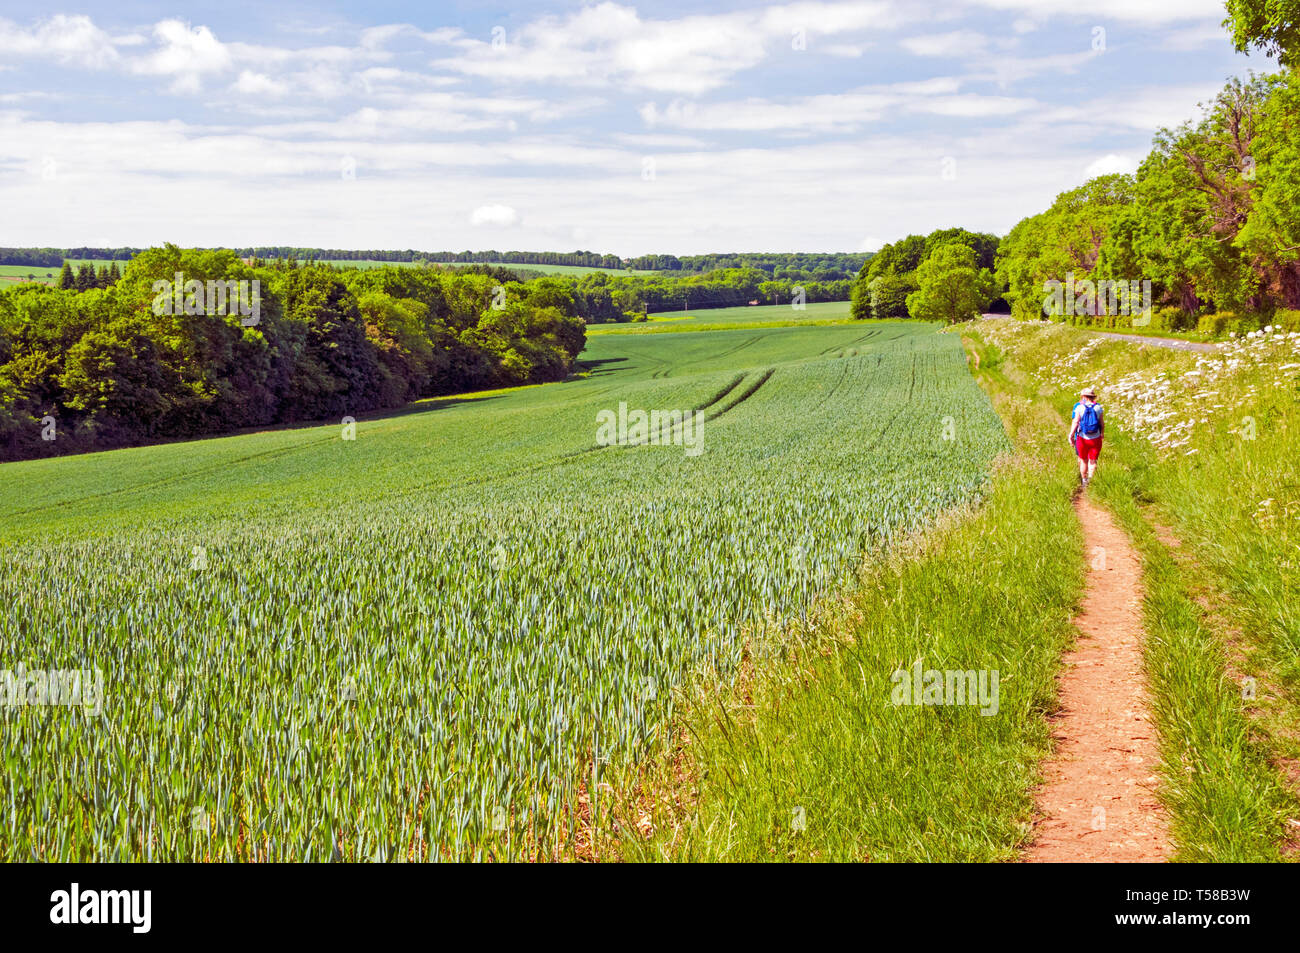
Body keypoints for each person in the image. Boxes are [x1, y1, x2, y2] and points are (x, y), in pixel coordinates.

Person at [1069, 386, 1104, 486]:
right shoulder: (1098, 407)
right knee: (1093, 461)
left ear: (1084, 396)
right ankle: (1091, 480)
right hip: (1095, 438)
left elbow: (1075, 422)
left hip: (1082, 438)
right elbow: (1102, 423)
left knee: (1083, 460)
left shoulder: (1079, 407)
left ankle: (1084, 481)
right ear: (1093, 397)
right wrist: (1102, 434)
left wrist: (1071, 435)